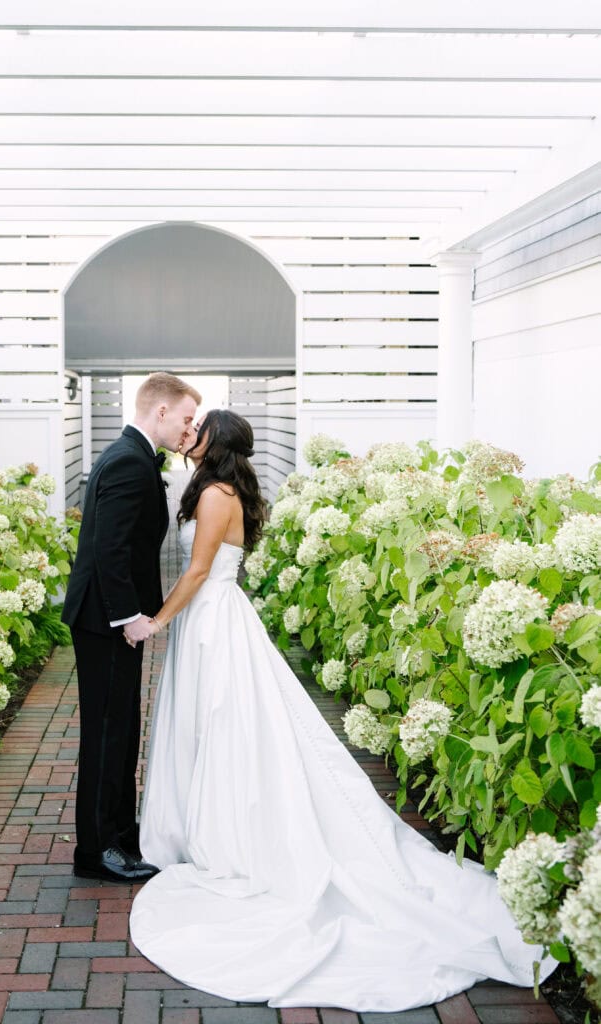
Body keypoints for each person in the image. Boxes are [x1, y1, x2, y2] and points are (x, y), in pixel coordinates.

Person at [129, 409, 557, 1011]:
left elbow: (199, 570)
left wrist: (156, 622)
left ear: (214, 443)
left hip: (212, 623)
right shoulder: (217, 488)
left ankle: (231, 838)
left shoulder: (217, 495)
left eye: (198, 429)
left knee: (227, 724)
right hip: (216, 620)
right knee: (224, 725)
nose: (189, 432)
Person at [62, 372, 201, 883]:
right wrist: (130, 618)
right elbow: (109, 548)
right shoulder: (127, 461)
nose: (188, 428)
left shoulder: (131, 455)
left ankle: (119, 831)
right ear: (160, 411)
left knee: (120, 728)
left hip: (110, 619)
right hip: (107, 622)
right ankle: (96, 851)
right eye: (185, 417)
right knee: (105, 733)